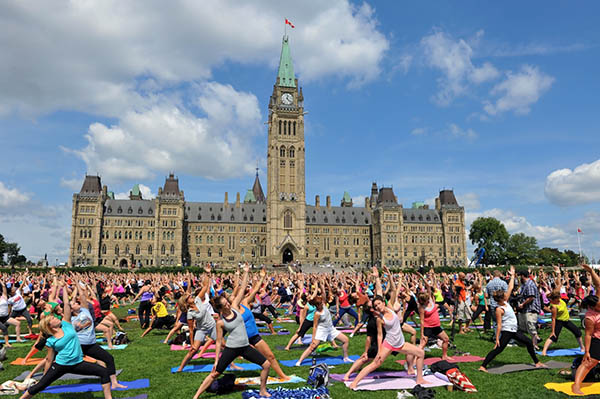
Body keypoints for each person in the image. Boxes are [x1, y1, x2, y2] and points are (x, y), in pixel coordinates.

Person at [19, 279, 113, 399]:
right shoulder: (50, 340)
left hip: (77, 363)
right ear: (50, 326)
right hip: (60, 366)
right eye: (53, 319)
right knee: (41, 385)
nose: (56, 318)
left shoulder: (67, 324)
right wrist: (45, 374)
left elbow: (67, 305)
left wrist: (63, 288)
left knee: (103, 372)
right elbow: (49, 359)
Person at [193, 265, 271, 398]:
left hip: (245, 347)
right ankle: (196, 396)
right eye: (225, 304)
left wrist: (246, 273)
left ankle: (262, 390)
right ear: (221, 309)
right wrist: (216, 360)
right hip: (232, 348)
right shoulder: (221, 322)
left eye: (227, 302)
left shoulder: (235, 307)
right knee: (215, 374)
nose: (228, 304)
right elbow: (218, 342)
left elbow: (242, 288)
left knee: (266, 364)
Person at [349, 268, 426, 390]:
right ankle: (355, 382)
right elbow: (380, 335)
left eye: (379, 304)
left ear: (383, 303)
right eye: (375, 306)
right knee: (375, 363)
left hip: (400, 343)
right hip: (389, 343)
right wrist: (379, 351)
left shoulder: (390, 306)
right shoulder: (380, 319)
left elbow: (392, 290)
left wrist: (382, 277)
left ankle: (420, 378)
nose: (378, 307)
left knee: (421, 353)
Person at [479, 266, 545, 373]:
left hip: (514, 330)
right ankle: (483, 366)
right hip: (507, 331)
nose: (506, 295)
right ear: (501, 298)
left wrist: (513, 275)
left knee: (528, 342)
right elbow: (499, 325)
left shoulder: (504, 301)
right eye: (504, 295)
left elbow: (510, 287)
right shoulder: (499, 309)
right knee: (498, 349)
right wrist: (497, 338)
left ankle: (537, 362)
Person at [70, 280, 126, 389]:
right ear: (70, 308)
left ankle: (113, 382)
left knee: (108, 359)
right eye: (74, 303)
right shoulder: (69, 318)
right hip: (77, 346)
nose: (77, 303)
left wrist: (77, 282)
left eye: (77, 302)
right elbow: (69, 302)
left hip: (90, 345)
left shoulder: (84, 311)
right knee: (60, 366)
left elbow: (82, 295)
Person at [295, 281, 351, 366]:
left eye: (322, 302)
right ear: (317, 305)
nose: (322, 303)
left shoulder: (324, 305)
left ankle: (346, 357)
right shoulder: (317, 314)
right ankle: (299, 361)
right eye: (320, 303)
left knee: (346, 340)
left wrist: (320, 283)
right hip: (322, 330)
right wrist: (313, 338)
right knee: (312, 347)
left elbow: (324, 293)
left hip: (331, 329)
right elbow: (314, 326)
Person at [541, 267, 584, 355]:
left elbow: (559, 284)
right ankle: (544, 351)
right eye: (558, 298)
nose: (560, 298)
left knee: (578, 332)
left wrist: (558, 273)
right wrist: (552, 331)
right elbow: (553, 319)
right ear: (554, 299)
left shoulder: (557, 296)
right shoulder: (554, 306)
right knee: (554, 337)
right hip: (559, 321)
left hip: (566, 320)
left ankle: (582, 347)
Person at [573, 264, 600, 395]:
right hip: (597, 339)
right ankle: (576, 386)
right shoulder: (590, 317)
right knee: (589, 362)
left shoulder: (598, 299)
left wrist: (591, 271)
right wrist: (587, 352)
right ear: (593, 307)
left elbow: (598, 284)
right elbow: (588, 334)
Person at [416, 272, 452, 361]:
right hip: (428, 327)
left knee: (446, 339)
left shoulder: (431, 300)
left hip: (436, 326)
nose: (428, 301)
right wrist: (421, 334)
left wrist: (421, 277)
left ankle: (444, 355)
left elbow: (428, 286)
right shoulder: (421, 308)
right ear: (422, 301)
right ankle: (413, 359)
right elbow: (421, 321)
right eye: (426, 300)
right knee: (422, 345)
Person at [517, 270, 541, 349]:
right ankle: (534, 341)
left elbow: (531, 297)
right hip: (526, 309)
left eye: (520, 276)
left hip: (531, 309)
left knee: (531, 327)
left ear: (523, 276)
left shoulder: (529, 284)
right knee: (525, 328)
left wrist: (523, 304)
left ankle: (535, 345)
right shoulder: (525, 284)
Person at [1, 280, 22, 346]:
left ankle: (18, 338)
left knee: (18, 323)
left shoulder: (4, 297)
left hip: (5, 317)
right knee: (4, 328)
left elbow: (3, 286)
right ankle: (7, 343)